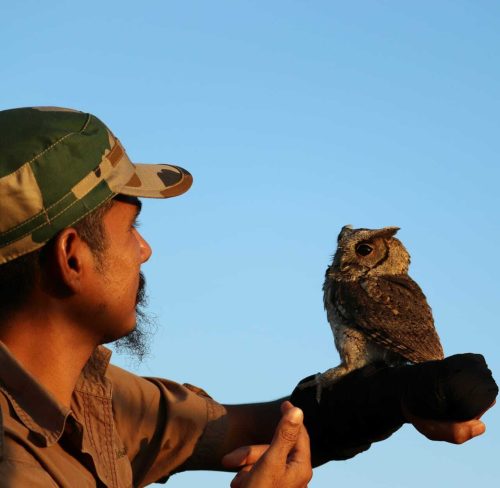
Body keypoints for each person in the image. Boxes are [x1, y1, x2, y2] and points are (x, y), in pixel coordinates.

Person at [0, 107, 496, 488]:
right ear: (72, 258)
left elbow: (223, 429)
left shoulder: (88, 390)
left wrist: (385, 399)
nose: (146, 251)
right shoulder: (15, 464)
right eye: (132, 228)